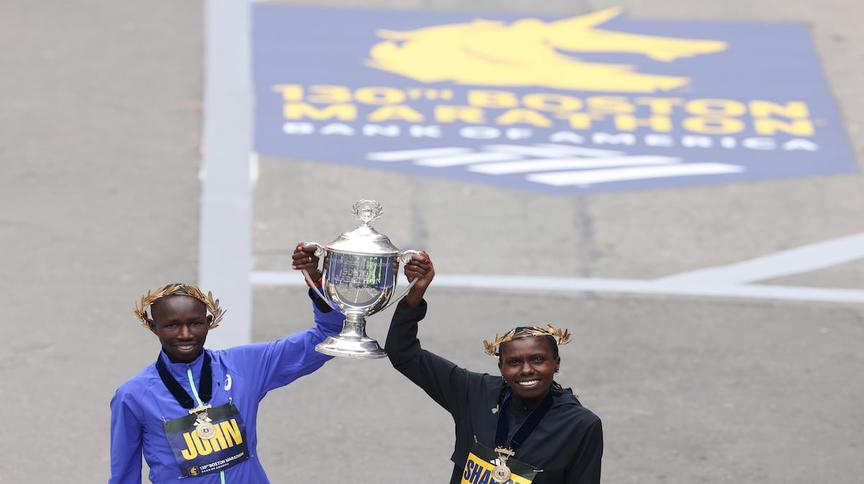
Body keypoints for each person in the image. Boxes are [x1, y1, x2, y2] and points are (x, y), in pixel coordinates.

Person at [109, 243, 339, 483]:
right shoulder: (133, 396)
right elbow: (124, 477)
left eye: (195, 323)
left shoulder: (245, 365)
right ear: (153, 326)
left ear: (209, 322)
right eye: (172, 325)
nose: (185, 334)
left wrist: (315, 280)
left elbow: (328, 336)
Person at [385, 252, 603, 484]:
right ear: (501, 367)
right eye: (514, 362)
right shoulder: (473, 392)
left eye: (538, 360)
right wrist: (415, 294)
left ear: (556, 363)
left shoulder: (580, 425)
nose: (526, 370)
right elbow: (402, 352)